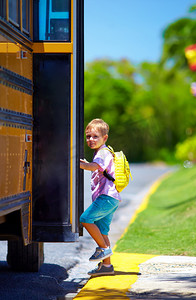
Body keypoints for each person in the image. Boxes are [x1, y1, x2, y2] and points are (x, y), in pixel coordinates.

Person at [79, 118, 121, 276]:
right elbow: (95, 167)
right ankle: (107, 267)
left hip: (106, 198)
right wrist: (86, 163)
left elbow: (93, 167)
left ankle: (103, 249)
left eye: (95, 136)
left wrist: (77, 164)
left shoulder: (103, 152)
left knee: (85, 218)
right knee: (103, 231)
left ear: (105, 138)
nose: (90, 139)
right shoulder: (102, 152)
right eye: (88, 136)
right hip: (111, 199)